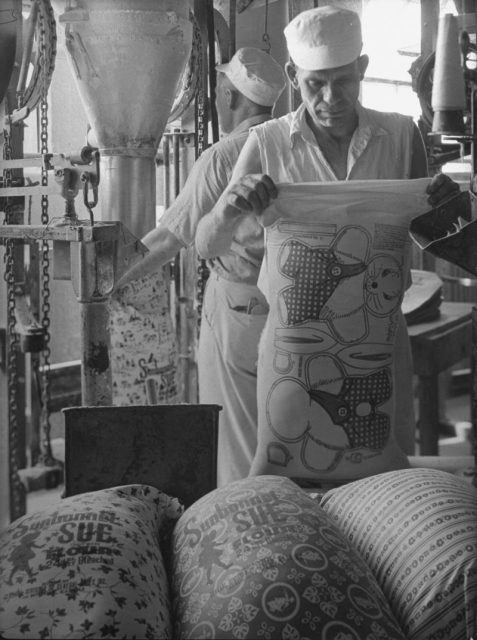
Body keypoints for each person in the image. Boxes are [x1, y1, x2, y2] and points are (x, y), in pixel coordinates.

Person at [195, 6, 460, 474]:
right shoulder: (267, 143)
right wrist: (228, 206)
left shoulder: (401, 136)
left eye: (343, 81)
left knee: (382, 480)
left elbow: (425, 233)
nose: (331, 97)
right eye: (315, 83)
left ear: (362, 70)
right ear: (295, 76)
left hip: (378, 346)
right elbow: (206, 245)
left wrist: (445, 207)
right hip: (295, 355)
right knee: (292, 472)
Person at [116, 47, 287, 487]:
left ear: (229, 96)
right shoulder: (291, 145)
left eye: (220, 90)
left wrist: (111, 282)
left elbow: (170, 239)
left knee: (238, 439)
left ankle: (246, 528)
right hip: (291, 308)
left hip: (238, 311)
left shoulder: (223, 157)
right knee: (286, 433)